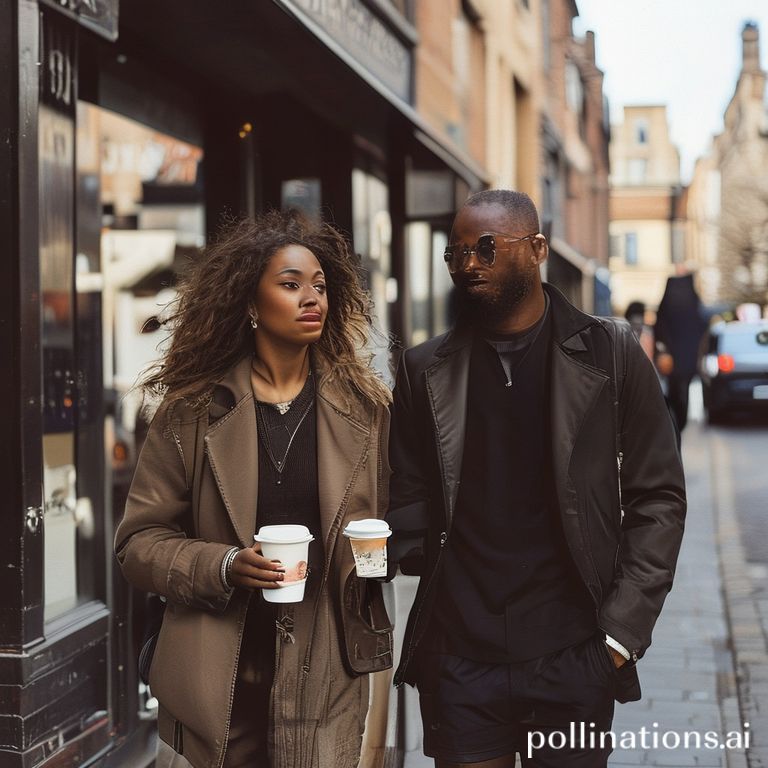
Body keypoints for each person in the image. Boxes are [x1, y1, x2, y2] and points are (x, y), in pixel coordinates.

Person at [387, 190, 686, 767]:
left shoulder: (610, 354)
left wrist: (621, 634)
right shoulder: (424, 369)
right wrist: (407, 552)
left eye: (486, 247)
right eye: (455, 253)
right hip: (461, 661)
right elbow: (407, 489)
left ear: (538, 249)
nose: (468, 263)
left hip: (575, 653)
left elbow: (659, 498)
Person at [114, 210, 393, 768]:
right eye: (291, 285)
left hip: (328, 669)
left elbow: (389, 525)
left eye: (320, 286)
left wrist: (377, 555)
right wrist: (222, 566)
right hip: (218, 674)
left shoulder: (366, 410)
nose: (312, 298)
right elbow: (138, 544)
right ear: (250, 305)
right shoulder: (191, 412)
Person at [654, 273, 708, 431]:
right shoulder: (693, 304)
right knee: (682, 390)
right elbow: (701, 327)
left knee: (675, 390)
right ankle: (679, 422)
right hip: (688, 358)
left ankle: (676, 422)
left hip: (673, 359)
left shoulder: (666, 306)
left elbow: (660, 329)